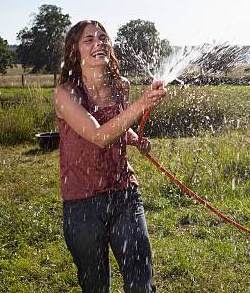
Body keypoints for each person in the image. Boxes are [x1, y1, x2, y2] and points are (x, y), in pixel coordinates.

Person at [53, 20, 167, 293]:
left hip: (124, 194)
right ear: (75, 51)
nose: (98, 43)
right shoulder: (65, 93)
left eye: (102, 38)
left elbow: (116, 124)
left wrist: (134, 138)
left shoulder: (121, 86)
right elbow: (99, 135)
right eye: (88, 40)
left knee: (141, 282)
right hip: (83, 204)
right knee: (95, 286)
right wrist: (142, 104)